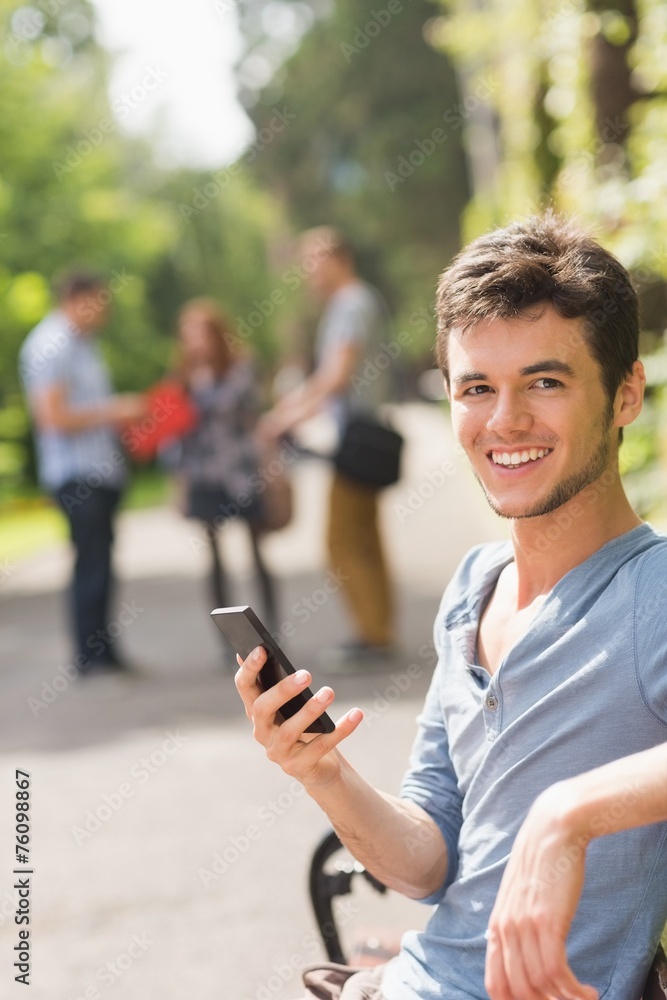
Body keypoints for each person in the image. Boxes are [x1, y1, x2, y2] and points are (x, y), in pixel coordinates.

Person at [235, 212, 667, 1000]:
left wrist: (567, 813)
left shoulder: (653, 591)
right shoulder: (473, 587)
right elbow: (426, 864)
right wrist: (322, 771)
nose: (504, 421)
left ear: (625, 393)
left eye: (545, 381)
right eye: (476, 388)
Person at [261, 227, 396, 665]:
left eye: (313, 262)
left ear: (338, 258)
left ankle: (372, 636)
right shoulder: (358, 300)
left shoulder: (349, 303)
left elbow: (336, 376)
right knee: (365, 538)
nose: (308, 273)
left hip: (358, 437)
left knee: (340, 542)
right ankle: (378, 631)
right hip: (364, 432)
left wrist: (284, 416)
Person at [18, 269, 146, 676]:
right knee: (89, 564)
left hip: (101, 472)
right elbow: (52, 417)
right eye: (100, 301)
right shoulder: (50, 345)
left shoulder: (85, 345)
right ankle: (88, 659)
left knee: (103, 563)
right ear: (78, 299)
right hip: (76, 476)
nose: (104, 311)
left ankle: (105, 651)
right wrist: (115, 410)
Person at [174, 297, 277, 637]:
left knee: (256, 552)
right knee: (214, 561)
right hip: (204, 475)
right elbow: (178, 431)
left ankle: (271, 630)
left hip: (241, 471)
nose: (195, 342)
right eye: (189, 335)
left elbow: (241, 408)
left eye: (201, 333)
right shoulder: (185, 376)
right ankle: (230, 639)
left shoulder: (240, 367)